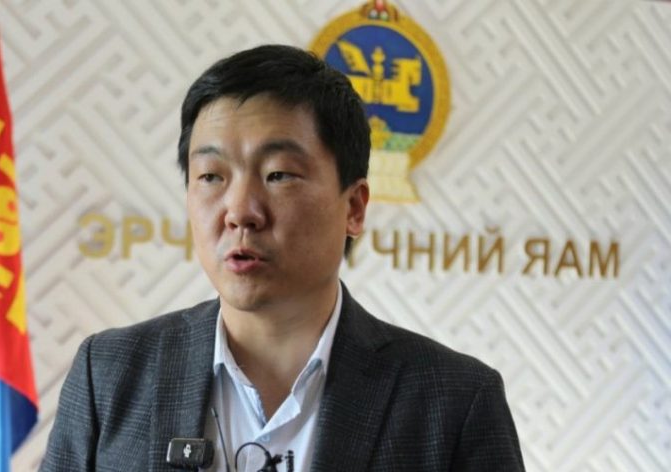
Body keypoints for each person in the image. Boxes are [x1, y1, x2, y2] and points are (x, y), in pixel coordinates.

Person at [41, 44, 525, 471]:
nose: (240, 212)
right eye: (211, 176)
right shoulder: (110, 373)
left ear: (354, 207)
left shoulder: (454, 401)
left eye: (278, 174)